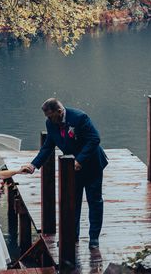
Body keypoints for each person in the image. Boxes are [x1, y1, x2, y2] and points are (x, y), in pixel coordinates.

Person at [22, 98, 108, 249]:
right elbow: (48, 146)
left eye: (50, 116)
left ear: (59, 112)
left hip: (92, 165)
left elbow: (95, 139)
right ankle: (71, 236)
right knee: (71, 202)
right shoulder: (50, 124)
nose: (48, 120)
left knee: (94, 201)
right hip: (70, 168)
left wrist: (79, 160)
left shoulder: (79, 117)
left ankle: (94, 238)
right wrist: (33, 165)